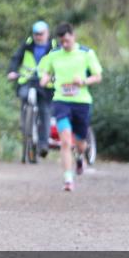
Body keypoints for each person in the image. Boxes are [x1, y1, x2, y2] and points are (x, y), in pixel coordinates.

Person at [37, 23, 102, 192]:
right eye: (61, 42)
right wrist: (44, 78)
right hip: (61, 100)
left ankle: (80, 157)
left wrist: (84, 81)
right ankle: (68, 178)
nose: (64, 44)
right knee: (65, 141)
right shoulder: (54, 54)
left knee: (80, 143)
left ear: (73, 36)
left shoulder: (86, 53)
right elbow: (47, 71)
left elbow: (98, 76)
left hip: (81, 102)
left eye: (67, 40)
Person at [7, 21, 58, 158]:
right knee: (24, 99)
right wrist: (12, 71)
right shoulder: (28, 44)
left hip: (45, 84)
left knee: (45, 111)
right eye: (36, 34)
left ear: (47, 33)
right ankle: (26, 126)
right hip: (27, 80)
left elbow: (60, 64)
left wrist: (54, 76)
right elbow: (16, 58)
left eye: (41, 34)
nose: (38, 36)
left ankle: (43, 144)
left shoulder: (54, 47)